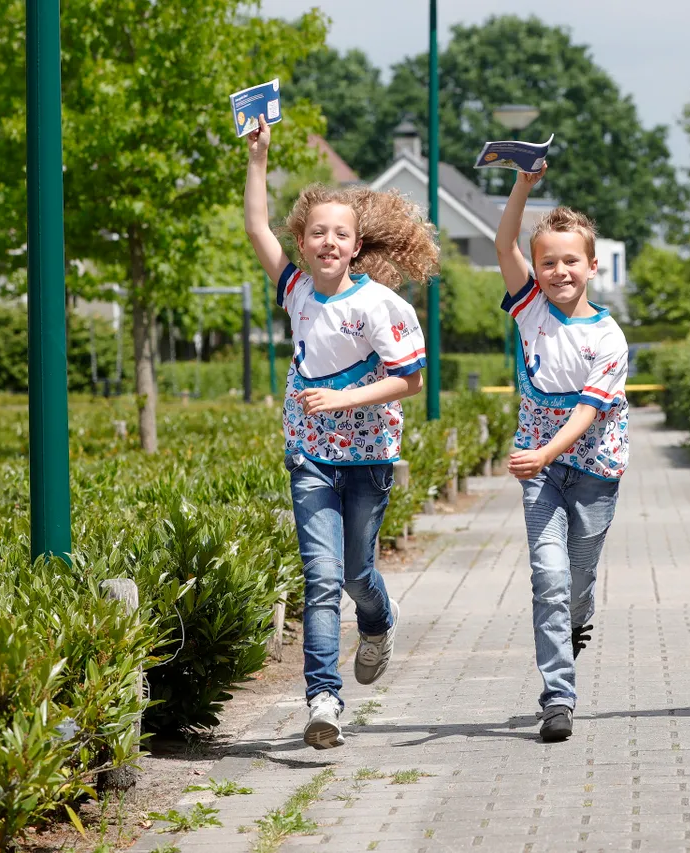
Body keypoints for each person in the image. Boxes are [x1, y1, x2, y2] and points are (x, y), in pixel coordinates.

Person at [244, 117, 438, 748]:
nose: (329, 241)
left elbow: (411, 379)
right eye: (317, 232)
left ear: (357, 246)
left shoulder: (381, 305)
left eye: (341, 234)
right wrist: (259, 158)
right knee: (321, 577)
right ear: (301, 241)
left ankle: (378, 620)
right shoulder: (295, 290)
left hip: (369, 454)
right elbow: (254, 227)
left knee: (357, 575)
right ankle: (323, 700)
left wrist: (345, 396)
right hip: (310, 455)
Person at [494, 163, 630, 743]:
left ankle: (579, 618)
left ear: (592, 266)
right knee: (547, 579)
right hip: (543, 474)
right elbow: (504, 241)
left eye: (571, 260)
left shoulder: (609, 336)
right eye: (547, 261)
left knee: (576, 578)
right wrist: (524, 183)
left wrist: (543, 451)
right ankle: (558, 697)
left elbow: (587, 412)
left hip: (595, 470)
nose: (558, 271)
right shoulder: (528, 310)